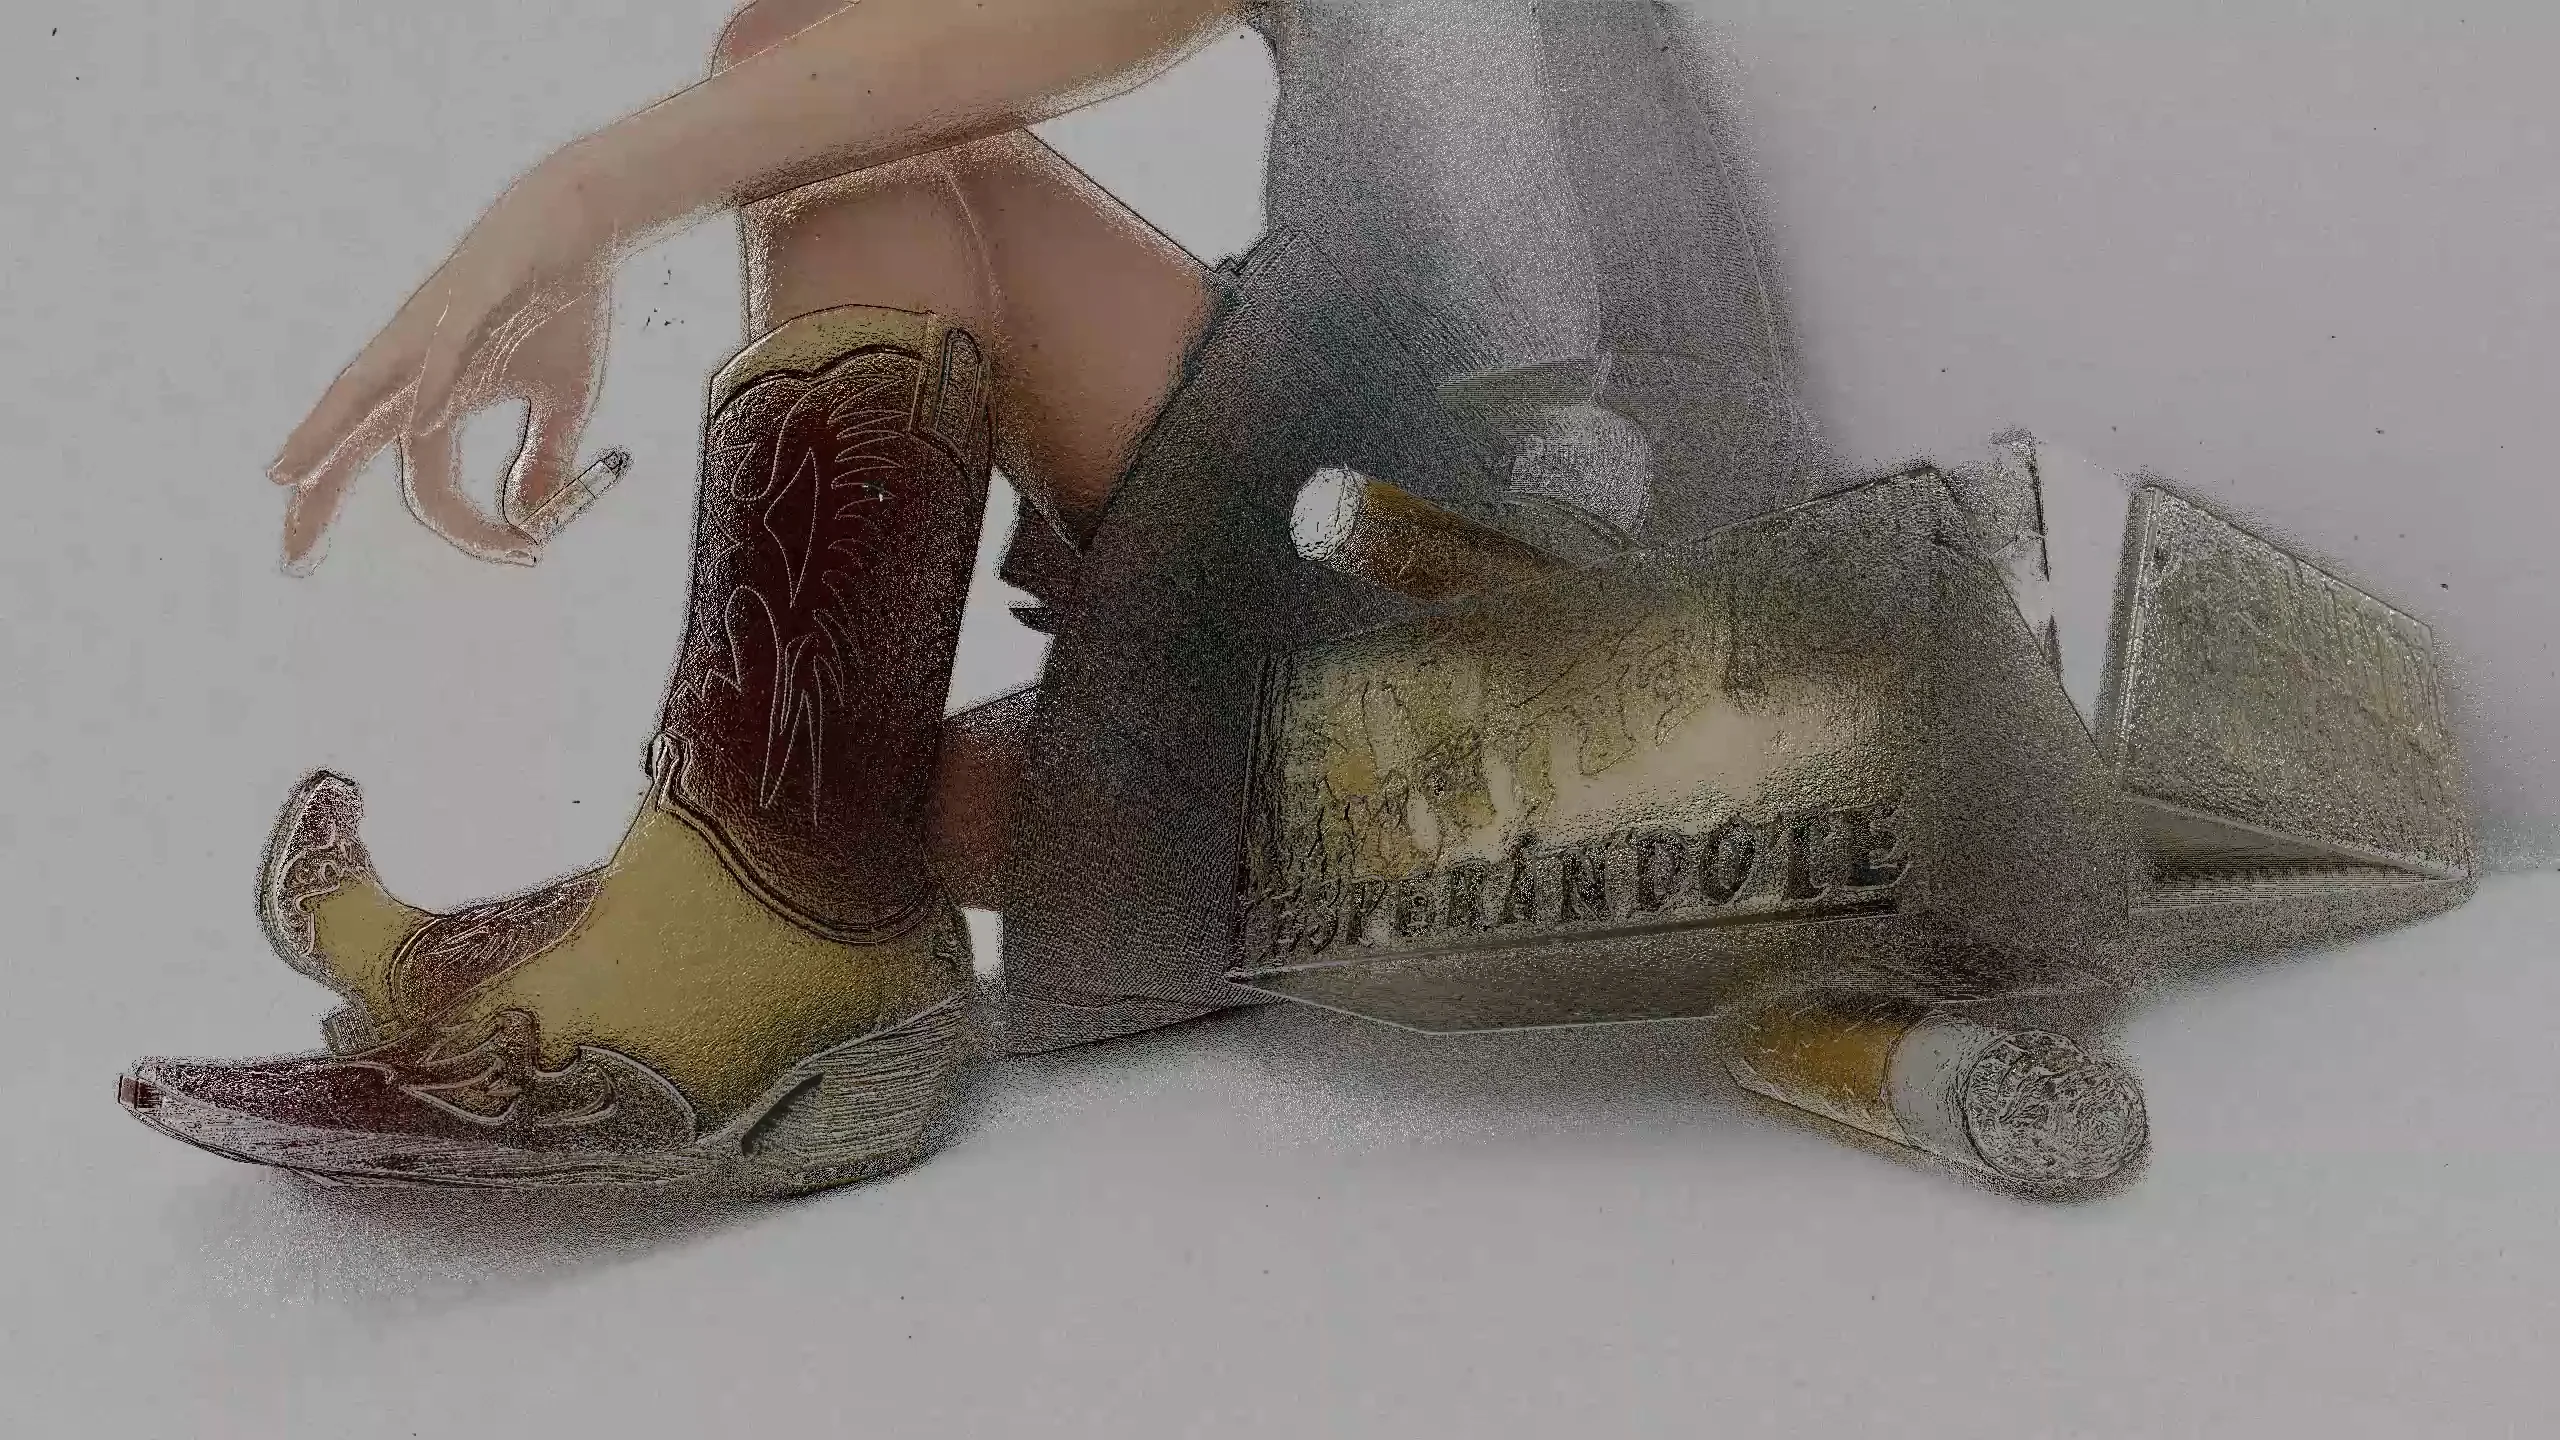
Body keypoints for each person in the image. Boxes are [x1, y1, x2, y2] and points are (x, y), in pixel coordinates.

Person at [118, 0, 1828, 1195]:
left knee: (829, 119)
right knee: (876, 805)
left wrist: (570, 207)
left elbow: (953, 44)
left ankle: (764, 942)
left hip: (1525, 600)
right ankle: (697, 926)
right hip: (1491, 602)